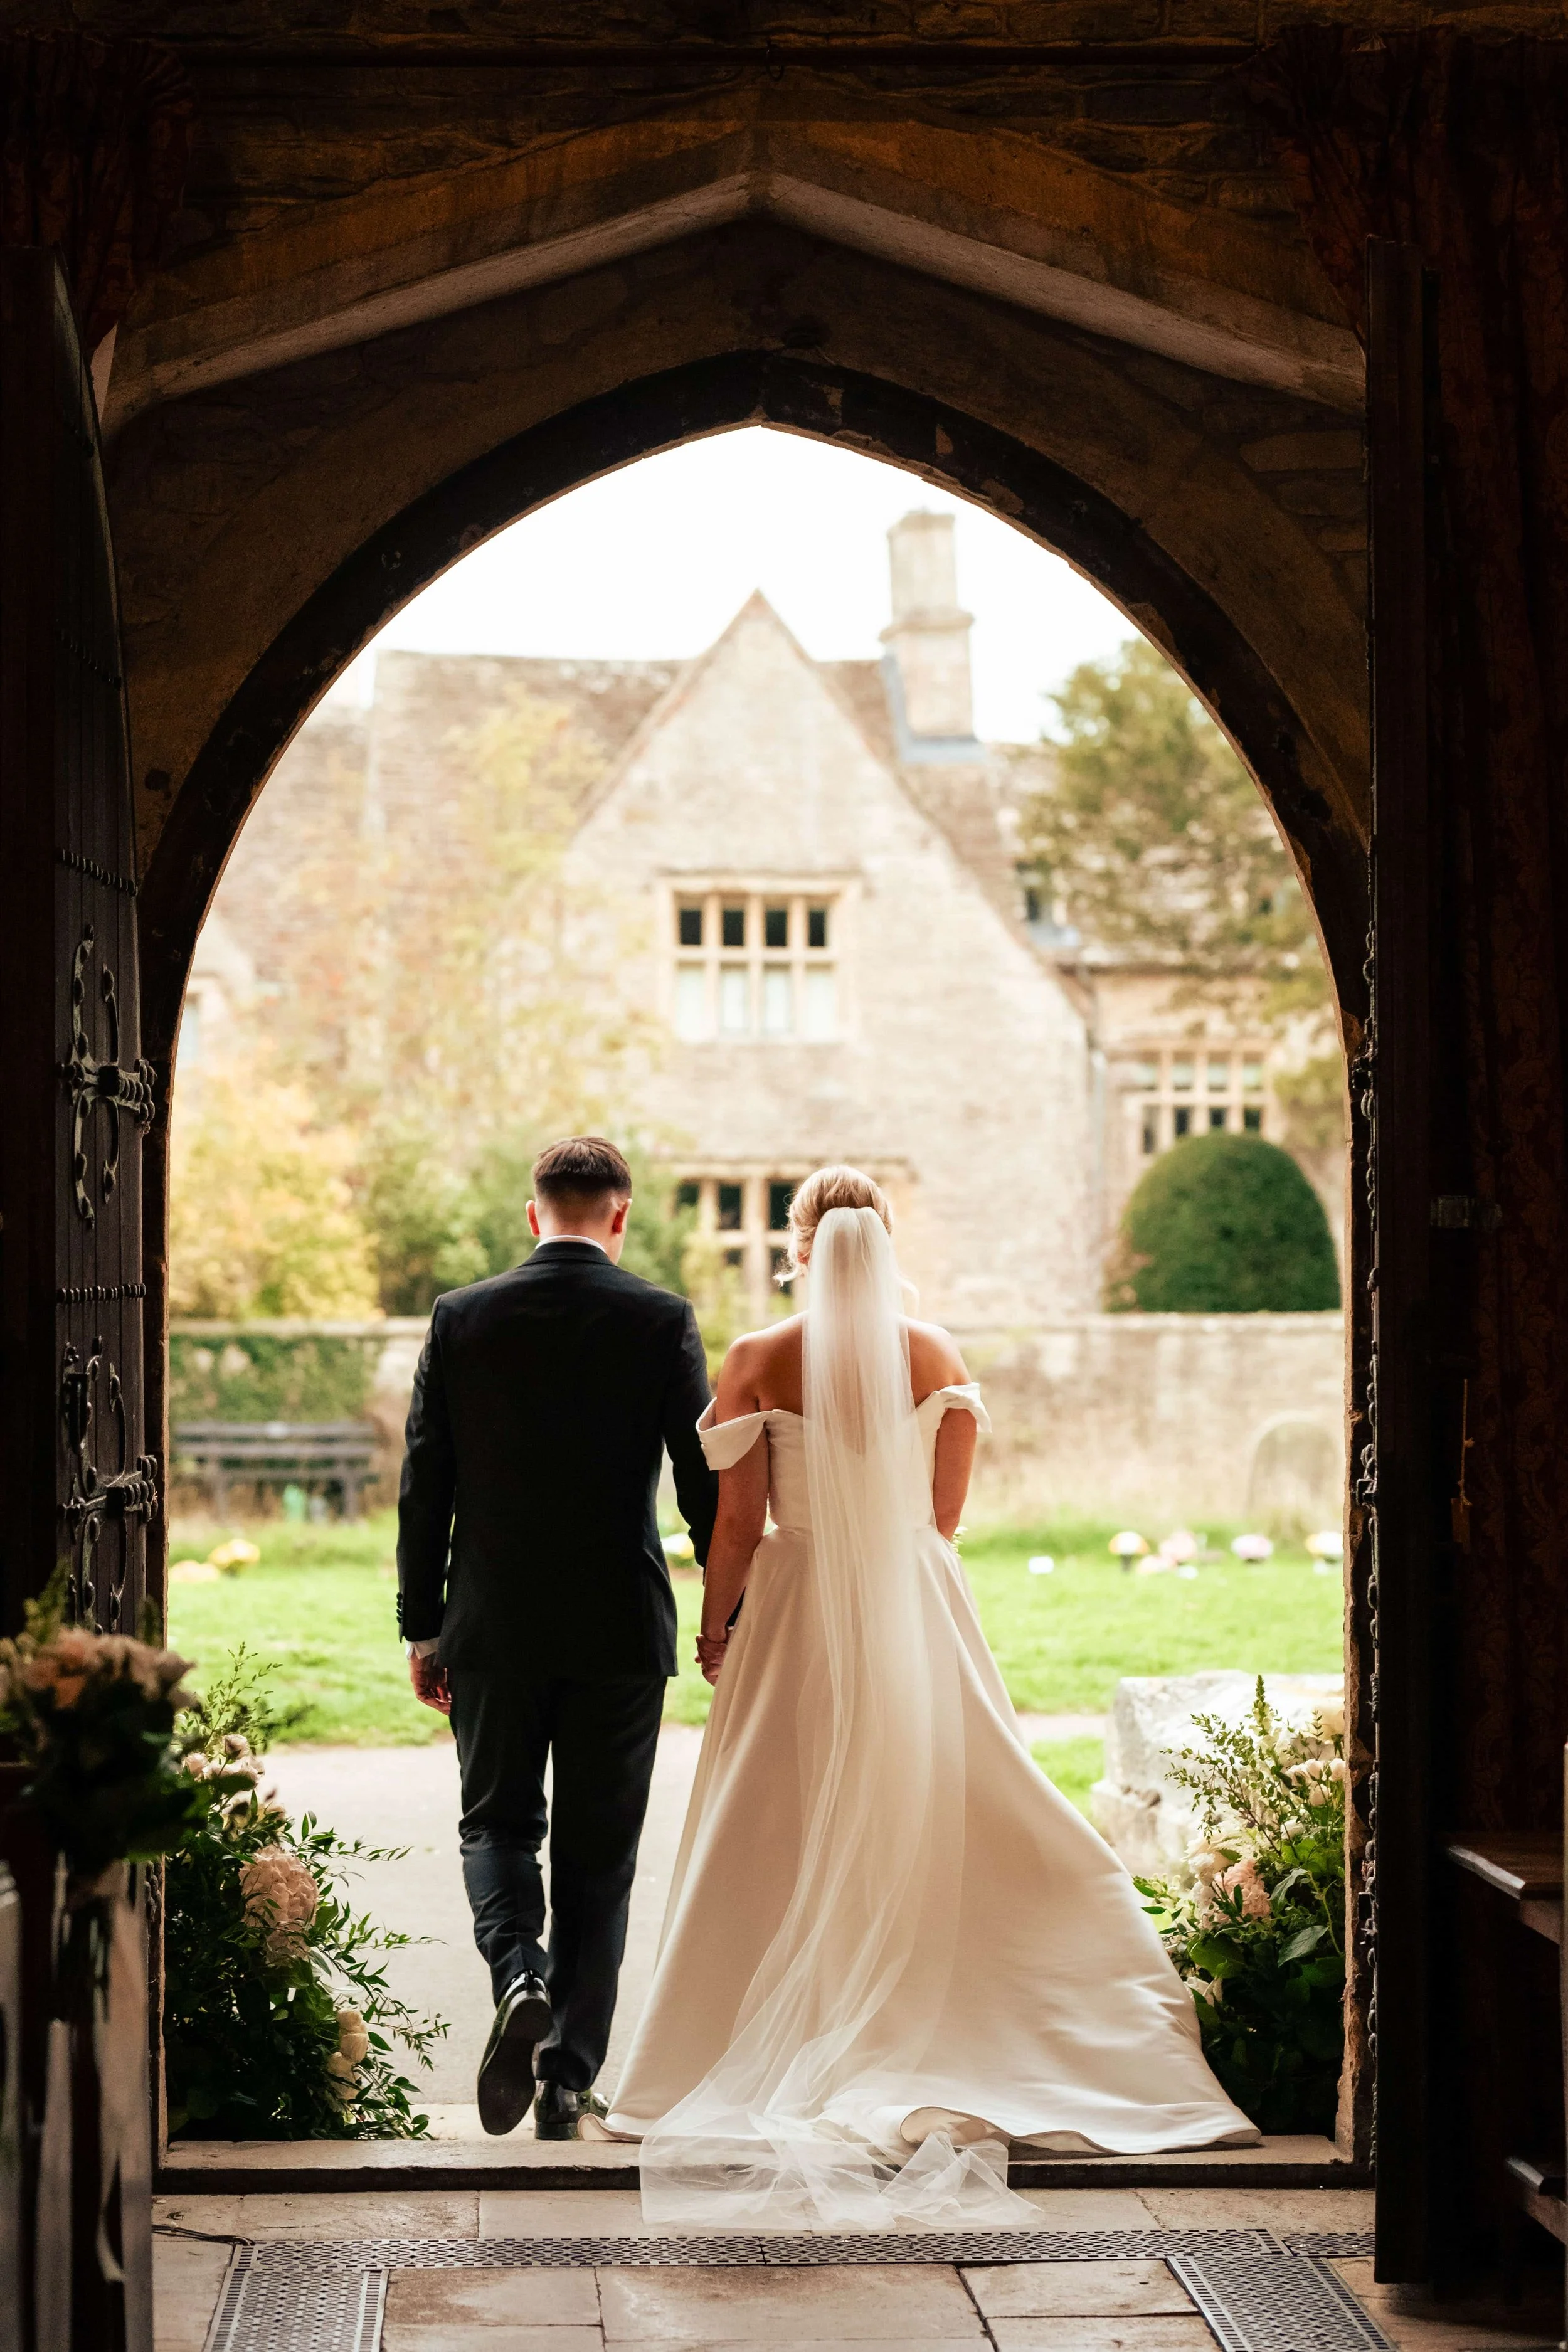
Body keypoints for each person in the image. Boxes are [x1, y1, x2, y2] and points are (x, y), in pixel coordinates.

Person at [607, 1165, 1258, 2225]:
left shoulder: (760, 1358)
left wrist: (718, 1618)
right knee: (945, 1790)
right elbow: (945, 1513)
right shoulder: (937, 1355)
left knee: (773, 1813)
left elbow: (735, 1523)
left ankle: (719, 2046)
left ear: (801, 1242)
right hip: (917, 1605)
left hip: (799, 1601)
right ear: (890, 1241)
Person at [397, 1135, 718, 2140]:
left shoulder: (462, 1318)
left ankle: (517, 1973)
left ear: (533, 1213)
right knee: (600, 1856)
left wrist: (423, 1624)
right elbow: (704, 1475)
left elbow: (425, 1485)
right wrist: (731, 1601)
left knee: (495, 1824)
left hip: (492, 1625)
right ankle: (566, 2079)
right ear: (621, 1216)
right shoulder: (661, 1319)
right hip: (620, 1627)